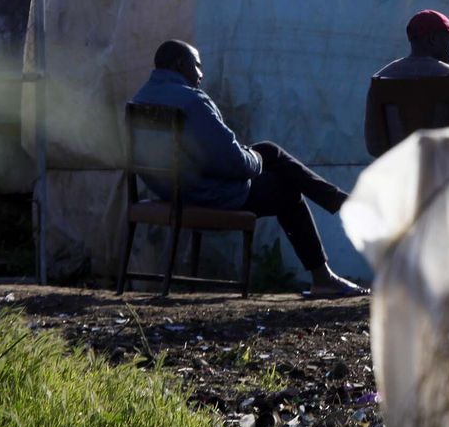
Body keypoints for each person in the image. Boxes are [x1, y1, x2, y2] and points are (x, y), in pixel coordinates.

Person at [131, 39, 366, 298]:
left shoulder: (140, 99)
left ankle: (339, 203)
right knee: (286, 188)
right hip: (207, 194)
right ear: (179, 64)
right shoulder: (191, 101)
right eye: (197, 65)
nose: (201, 74)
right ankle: (324, 274)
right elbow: (236, 164)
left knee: (268, 150)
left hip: (170, 191)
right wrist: (253, 158)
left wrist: (252, 154)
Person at [365, 9, 449, 157]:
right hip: (447, 177)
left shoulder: (381, 79)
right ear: (433, 39)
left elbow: (373, 146)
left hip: (398, 176)